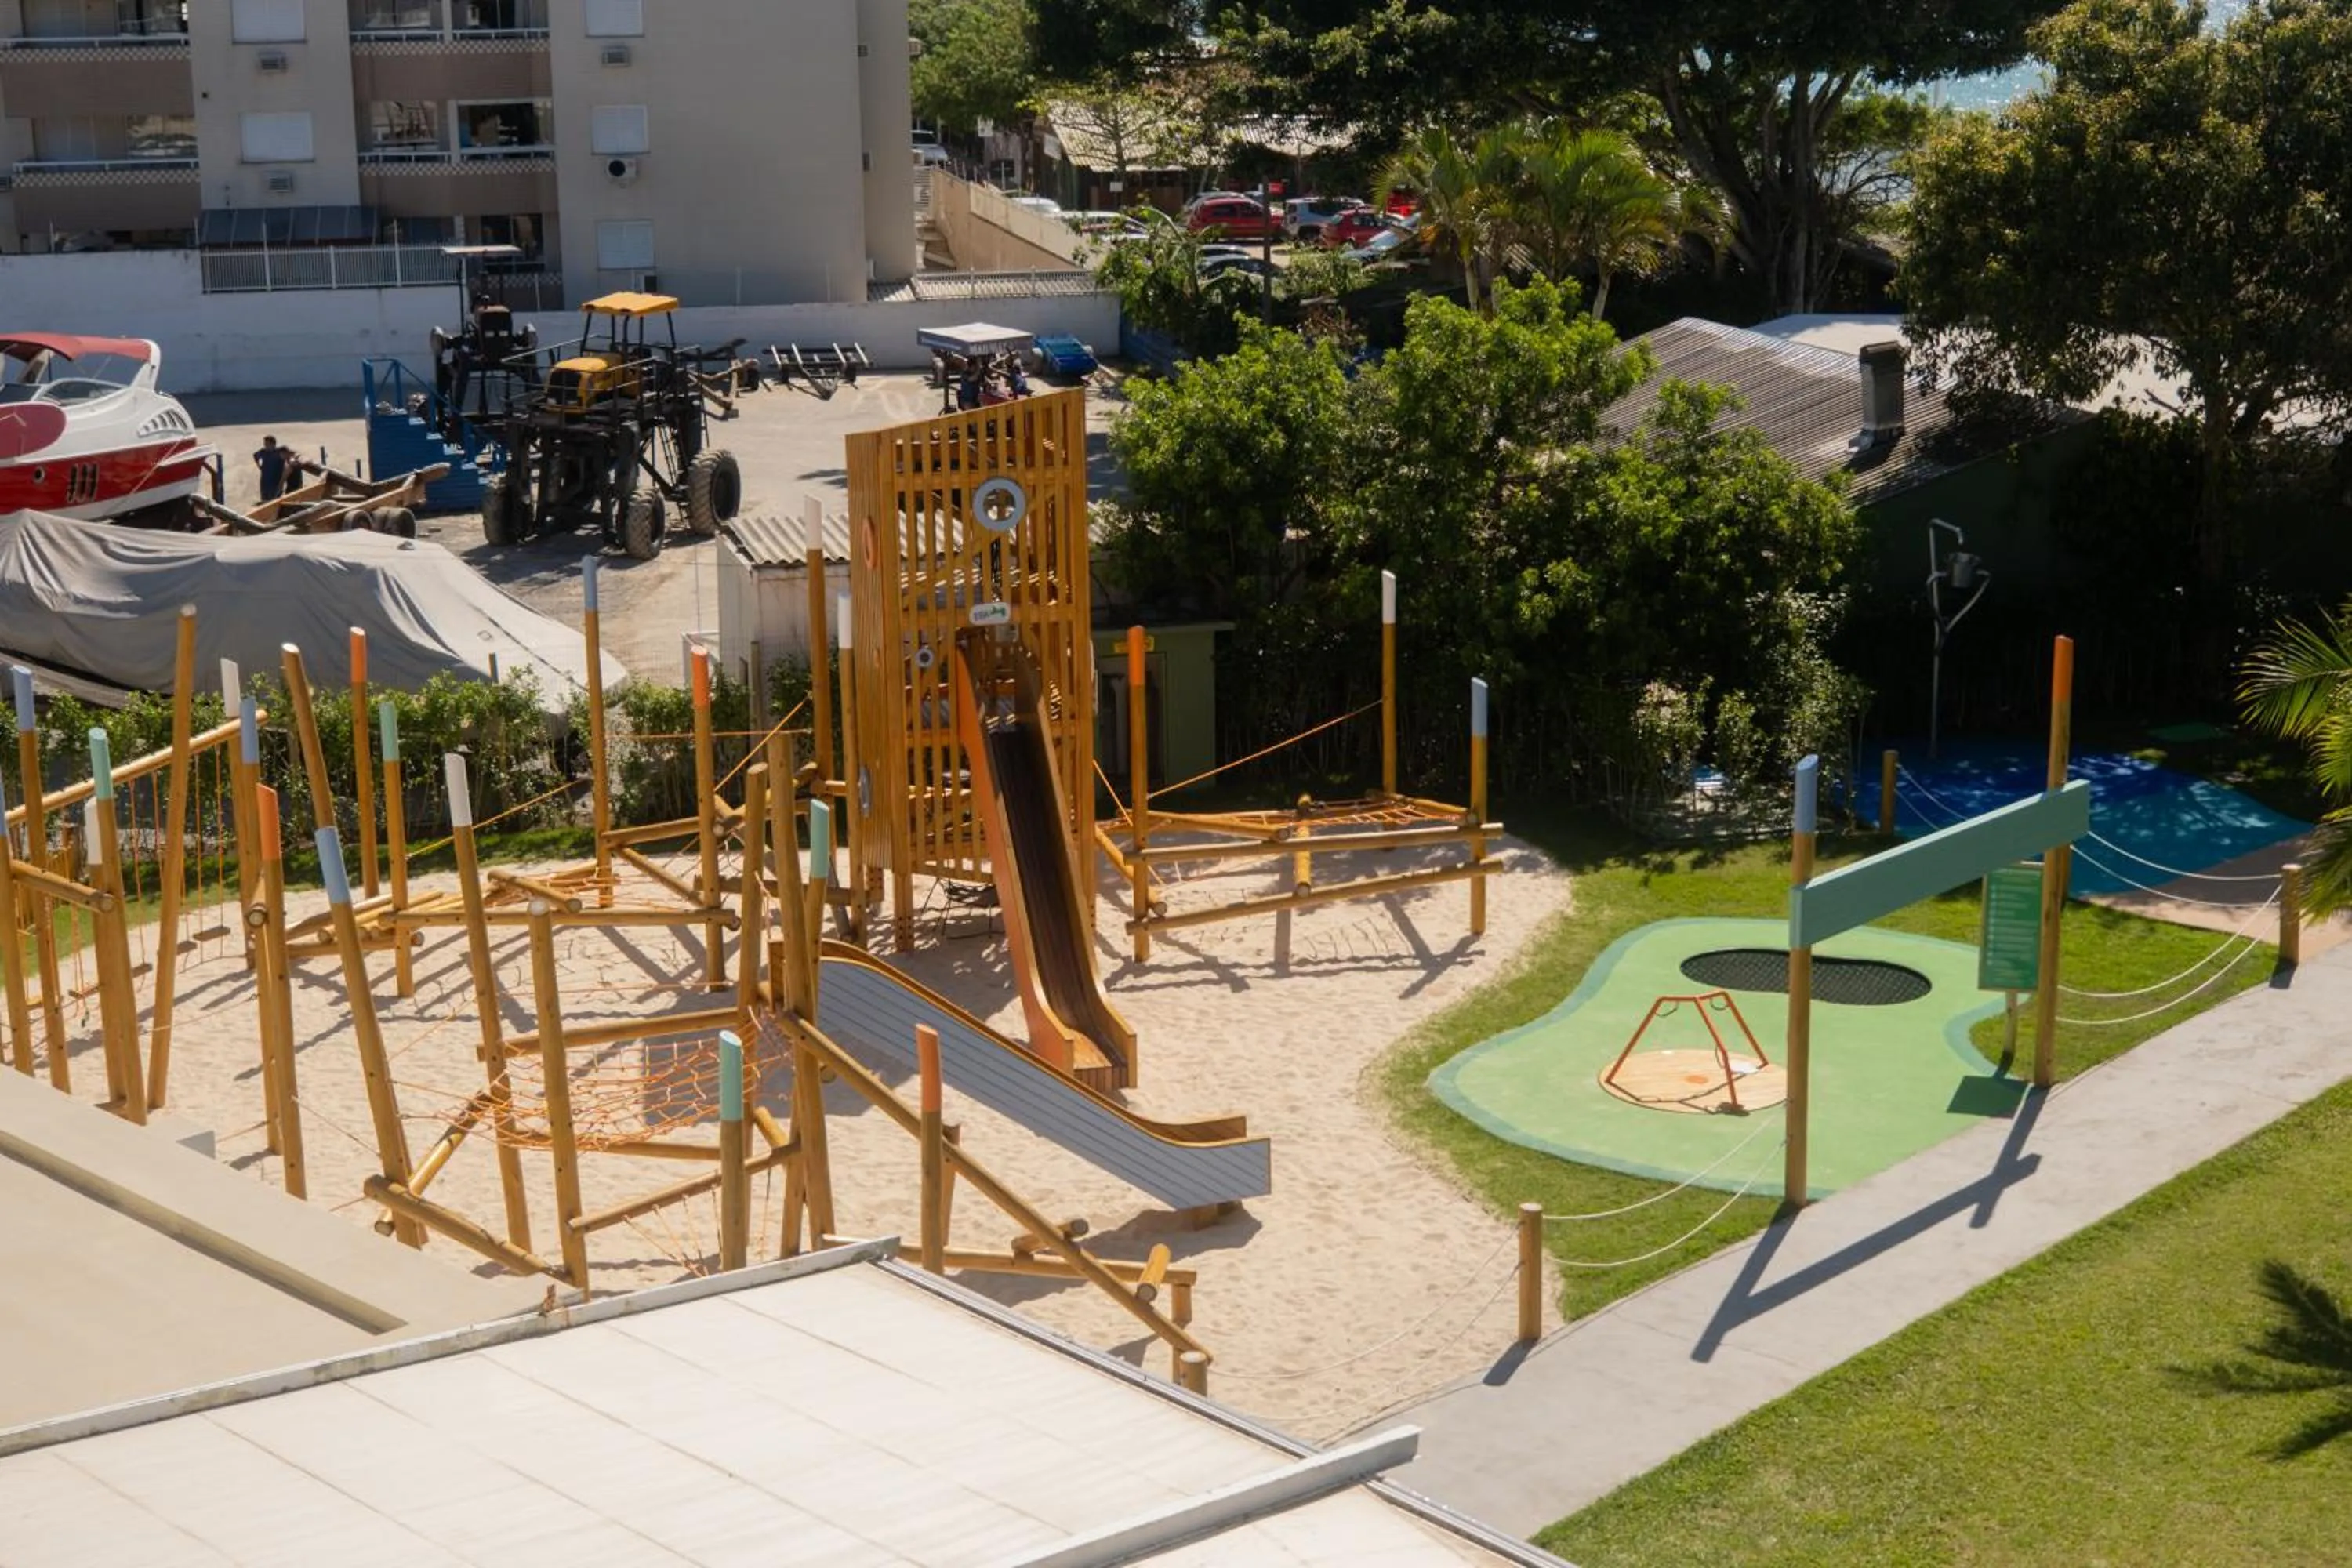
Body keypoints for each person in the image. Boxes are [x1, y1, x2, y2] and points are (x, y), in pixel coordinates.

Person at [253, 435, 289, 503]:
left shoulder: (279, 452)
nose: (265, 446)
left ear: (273, 444)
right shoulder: (263, 452)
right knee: (264, 501)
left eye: (267, 444)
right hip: (264, 482)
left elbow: (289, 455)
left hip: (276, 482)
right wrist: (259, 466)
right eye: (265, 444)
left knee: (276, 501)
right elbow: (255, 456)